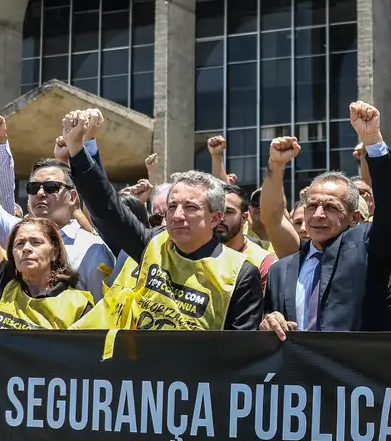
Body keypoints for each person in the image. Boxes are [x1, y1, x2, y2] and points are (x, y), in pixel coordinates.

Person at [63, 112, 262, 330]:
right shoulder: (151, 244)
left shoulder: (240, 274)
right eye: (172, 206)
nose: (177, 216)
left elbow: (241, 353)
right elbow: (106, 205)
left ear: (215, 218)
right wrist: (77, 148)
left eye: (191, 207)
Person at [258, 101, 391, 338]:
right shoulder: (281, 270)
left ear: (354, 217)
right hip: (298, 373)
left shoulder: (367, 250)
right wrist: (268, 322)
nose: (318, 214)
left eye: (330, 207)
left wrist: (373, 140)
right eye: (312, 206)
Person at [0, 114, 114, 302]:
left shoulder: (93, 249)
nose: (40, 193)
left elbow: (102, 313)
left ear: (72, 198)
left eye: (51, 187)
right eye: (33, 187)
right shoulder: (17, 232)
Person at [0, 130, 94, 329]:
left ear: (54, 250)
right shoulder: (5, 284)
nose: (26, 248)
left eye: (36, 242)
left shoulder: (79, 304)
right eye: (19, 243)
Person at [219, 184, 277, 290]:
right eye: (216, 211)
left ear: (244, 218)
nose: (220, 218)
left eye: (228, 212)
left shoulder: (263, 262)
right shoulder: (196, 250)